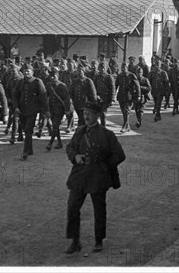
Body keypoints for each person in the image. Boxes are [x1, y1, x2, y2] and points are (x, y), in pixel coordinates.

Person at [64, 101, 126, 254]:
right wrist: (75, 156)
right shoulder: (79, 131)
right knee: (72, 208)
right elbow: (70, 147)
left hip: (98, 177)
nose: (86, 116)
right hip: (80, 176)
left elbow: (119, 155)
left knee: (99, 210)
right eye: (84, 113)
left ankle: (99, 240)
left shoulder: (107, 135)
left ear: (97, 116)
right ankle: (75, 241)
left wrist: (104, 166)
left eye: (89, 114)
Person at [12, 63, 49, 160]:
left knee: (28, 129)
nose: (26, 72)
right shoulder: (20, 82)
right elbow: (15, 95)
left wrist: (46, 110)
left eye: (28, 71)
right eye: (24, 71)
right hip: (22, 110)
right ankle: (30, 149)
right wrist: (16, 107)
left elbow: (43, 97)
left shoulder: (37, 82)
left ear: (32, 72)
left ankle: (25, 151)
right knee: (25, 129)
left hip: (32, 110)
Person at [45, 68, 72, 151]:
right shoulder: (48, 85)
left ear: (57, 76)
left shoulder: (62, 85)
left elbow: (66, 99)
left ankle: (50, 143)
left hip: (59, 109)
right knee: (55, 126)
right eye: (51, 76)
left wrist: (67, 110)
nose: (52, 78)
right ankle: (59, 142)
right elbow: (46, 96)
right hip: (51, 109)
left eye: (54, 76)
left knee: (55, 125)